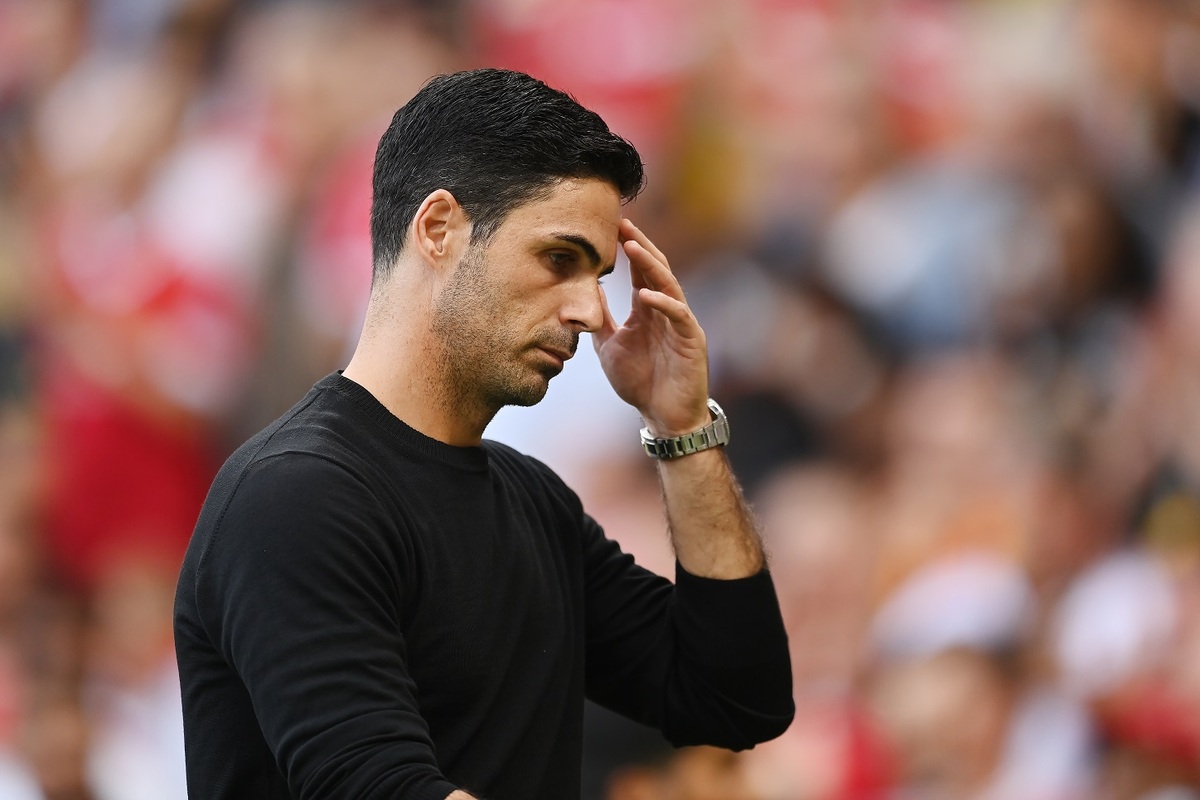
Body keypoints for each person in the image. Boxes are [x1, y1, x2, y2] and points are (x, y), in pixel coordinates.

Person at [173, 68, 794, 800]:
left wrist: (682, 426)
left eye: (598, 275)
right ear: (438, 229)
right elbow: (376, 784)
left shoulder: (534, 503)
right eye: (559, 259)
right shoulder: (295, 496)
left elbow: (735, 696)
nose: (592, 312)